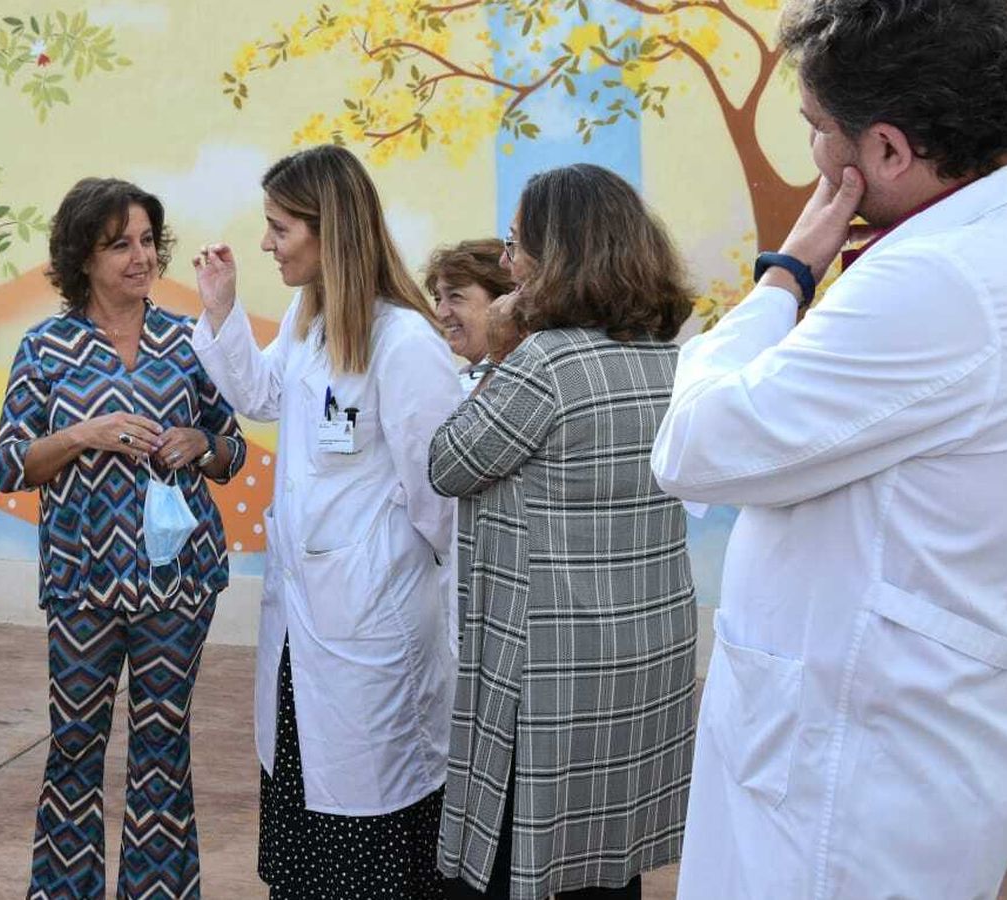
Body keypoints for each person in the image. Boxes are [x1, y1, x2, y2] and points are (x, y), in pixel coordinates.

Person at [649, 1, 1007, 896]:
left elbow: (696, 447)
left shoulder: (937, 280)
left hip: (847, 769)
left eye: (819, 129)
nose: (817, 158)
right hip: (922, 730)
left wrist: (783, 276)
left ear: (891, 152)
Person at [191, 144, 459, 899]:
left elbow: (439, 497)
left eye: (280, 228)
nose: (268, 243)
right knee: (308, 789)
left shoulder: (405, 345)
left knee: (369, 817)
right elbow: (262, 393)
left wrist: (387, 573)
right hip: (307, 622)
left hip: (370, 623)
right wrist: (221, 308)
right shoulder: (314, 325)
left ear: (328, 228)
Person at [428, 164, 698, 900]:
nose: (507, 261)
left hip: (545, 664)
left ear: (558, 254)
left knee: (528, 859)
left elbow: (448, 462)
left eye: (517, 244)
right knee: (610, 861)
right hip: (642, 653)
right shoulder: (666, 357)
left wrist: (503, 346)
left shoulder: (543, 362)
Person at [0, 177, 247, 899]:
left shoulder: (189, 341)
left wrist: (201, 441)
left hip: (179, 581)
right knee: (73, 747)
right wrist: (82, 434)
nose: (141, 257)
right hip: (81, 582)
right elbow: (10, 463)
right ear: (83, 256)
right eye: (120, 244)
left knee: (162, 749)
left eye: (146, 241)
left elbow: (233, 452)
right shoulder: (46, 348)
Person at [422, 238, 522, 393]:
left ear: (504, 300)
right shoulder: (458, 378)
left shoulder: (519, 379)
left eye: (455, 296)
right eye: (437, 299)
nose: (441, 313)